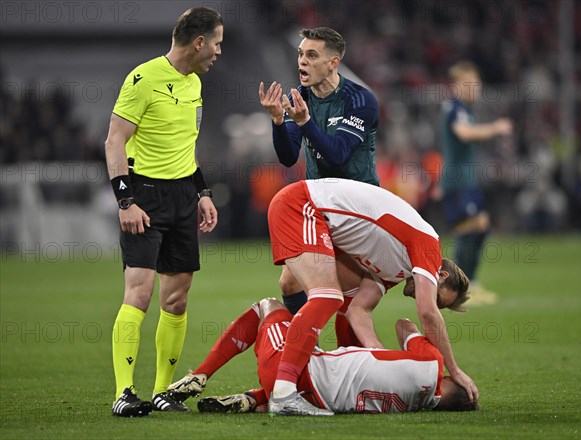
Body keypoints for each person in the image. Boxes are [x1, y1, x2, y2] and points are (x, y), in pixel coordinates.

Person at [235, 178, 475, 415]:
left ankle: (270, 385)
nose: (429, 299)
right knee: (328, 296)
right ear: (440, 275)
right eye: (438, 297)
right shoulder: (428, 244)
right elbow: (427, 313)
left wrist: (378, 357)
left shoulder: (396, 267)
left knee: (298, 287)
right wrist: (453, 369)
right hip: (304, 205)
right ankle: (285, 391)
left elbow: (358, 311)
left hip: (310, 210)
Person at [104, 7, 222, 417]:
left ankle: (161, 392)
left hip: (182, 198)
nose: (220, 52)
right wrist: (125, 200)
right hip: (145, 196)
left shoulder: (194, 84)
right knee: (139, 292)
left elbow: (184, 147)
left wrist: (202, 191)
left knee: (177, 299)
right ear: (199, 42)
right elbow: (114, 142)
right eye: (218, 43)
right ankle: (123, 393)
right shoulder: (143, 78)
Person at [168, 297, 478, 415]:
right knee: (331, 366)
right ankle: (253, 399)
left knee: (267, 306)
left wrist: (451, 363)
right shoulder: (411, 406)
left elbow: (405, 325)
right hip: (315, 397)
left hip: (292, 371)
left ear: (451, 381)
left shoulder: (432, 365)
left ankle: (200, 374)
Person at [258, 27, 380, 318]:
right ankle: (307, 349)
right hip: (320, 205)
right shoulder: (301, 97)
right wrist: (278, 121)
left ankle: (344, 355)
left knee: (344, 295)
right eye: (300, 54)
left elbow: (337, 155)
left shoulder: (360, 100)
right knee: (289, 282)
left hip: (357, 206)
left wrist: (305, 123)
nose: (302, 61)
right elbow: (288, 158)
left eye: (312, 55)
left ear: (333, 63)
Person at [439, 61, 513, 304]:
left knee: (480, 225)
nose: (475, 87)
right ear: (457, 85)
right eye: (469, 83)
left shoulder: (461, 107)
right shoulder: (455, 108)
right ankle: (458, 289)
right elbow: (464, 133)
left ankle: (470, 282)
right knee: (469, 228)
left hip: (465, 180)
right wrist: (496, 127)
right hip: (457, 180)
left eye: (476, 83)